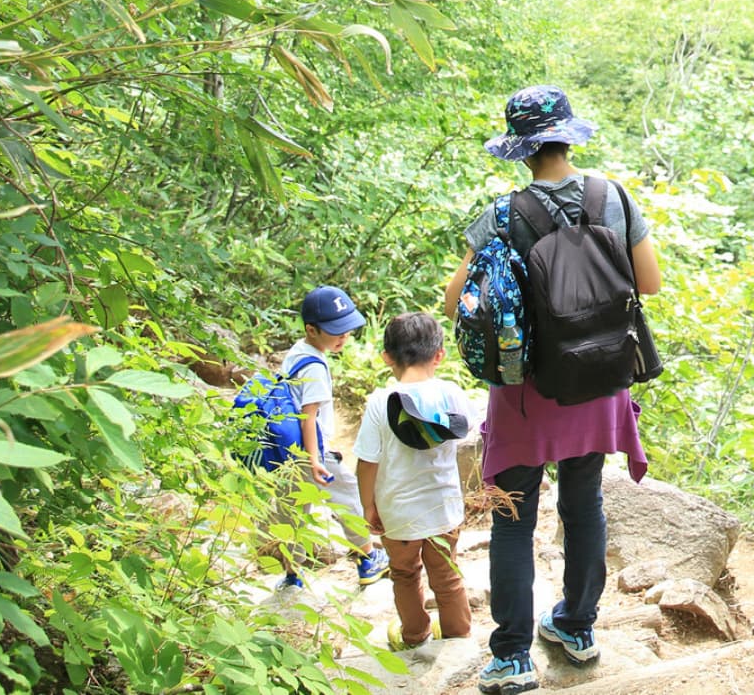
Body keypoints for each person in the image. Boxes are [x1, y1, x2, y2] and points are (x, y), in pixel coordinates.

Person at [443, 86, 664, 695]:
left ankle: (512, 657)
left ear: (521, 151)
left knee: (514, 520)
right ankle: (576, 627)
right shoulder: (614, 199)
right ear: (569, 137)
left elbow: (455, 302)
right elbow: (650, 283)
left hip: (526, 389)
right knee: (584, 501)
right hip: (599, 379)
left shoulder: (502, 213)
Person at [355, 312, 476, 652]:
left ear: (387, 357)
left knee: (405, 575)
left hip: (398, 512)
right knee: (447, 576)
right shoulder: (452, 394)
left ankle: (415, 635)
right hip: (443, 509)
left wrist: (368, 504)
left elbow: (367, 462)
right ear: (439, 355)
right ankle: (457, 635)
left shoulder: (381, 402)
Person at [277, 285, 388, 591]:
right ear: (311, 330)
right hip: (311, 453)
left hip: (289, 452)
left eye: (347, 330)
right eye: (336, 331)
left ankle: (292, 575)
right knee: (347, 499)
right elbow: (308, 415)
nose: (344, 337)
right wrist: (316, 459)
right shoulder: (315, 366)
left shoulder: (298, 353)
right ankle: (368, 558)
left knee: (294, 512)